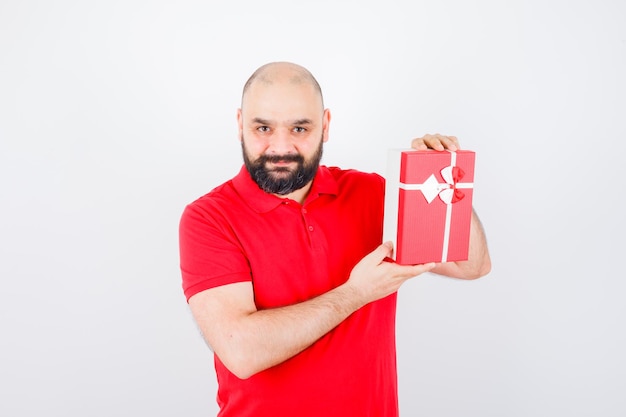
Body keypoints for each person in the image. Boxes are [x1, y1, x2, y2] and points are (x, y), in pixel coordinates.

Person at [179, 61, 491, 417]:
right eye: (263, 127)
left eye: (300, 128)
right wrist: (356, 293)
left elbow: (472, 265)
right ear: (239, 125)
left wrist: (444, 181)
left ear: (325, 126)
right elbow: (242, 352)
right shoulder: (208, 218)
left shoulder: (372, 194)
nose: (281, 146)